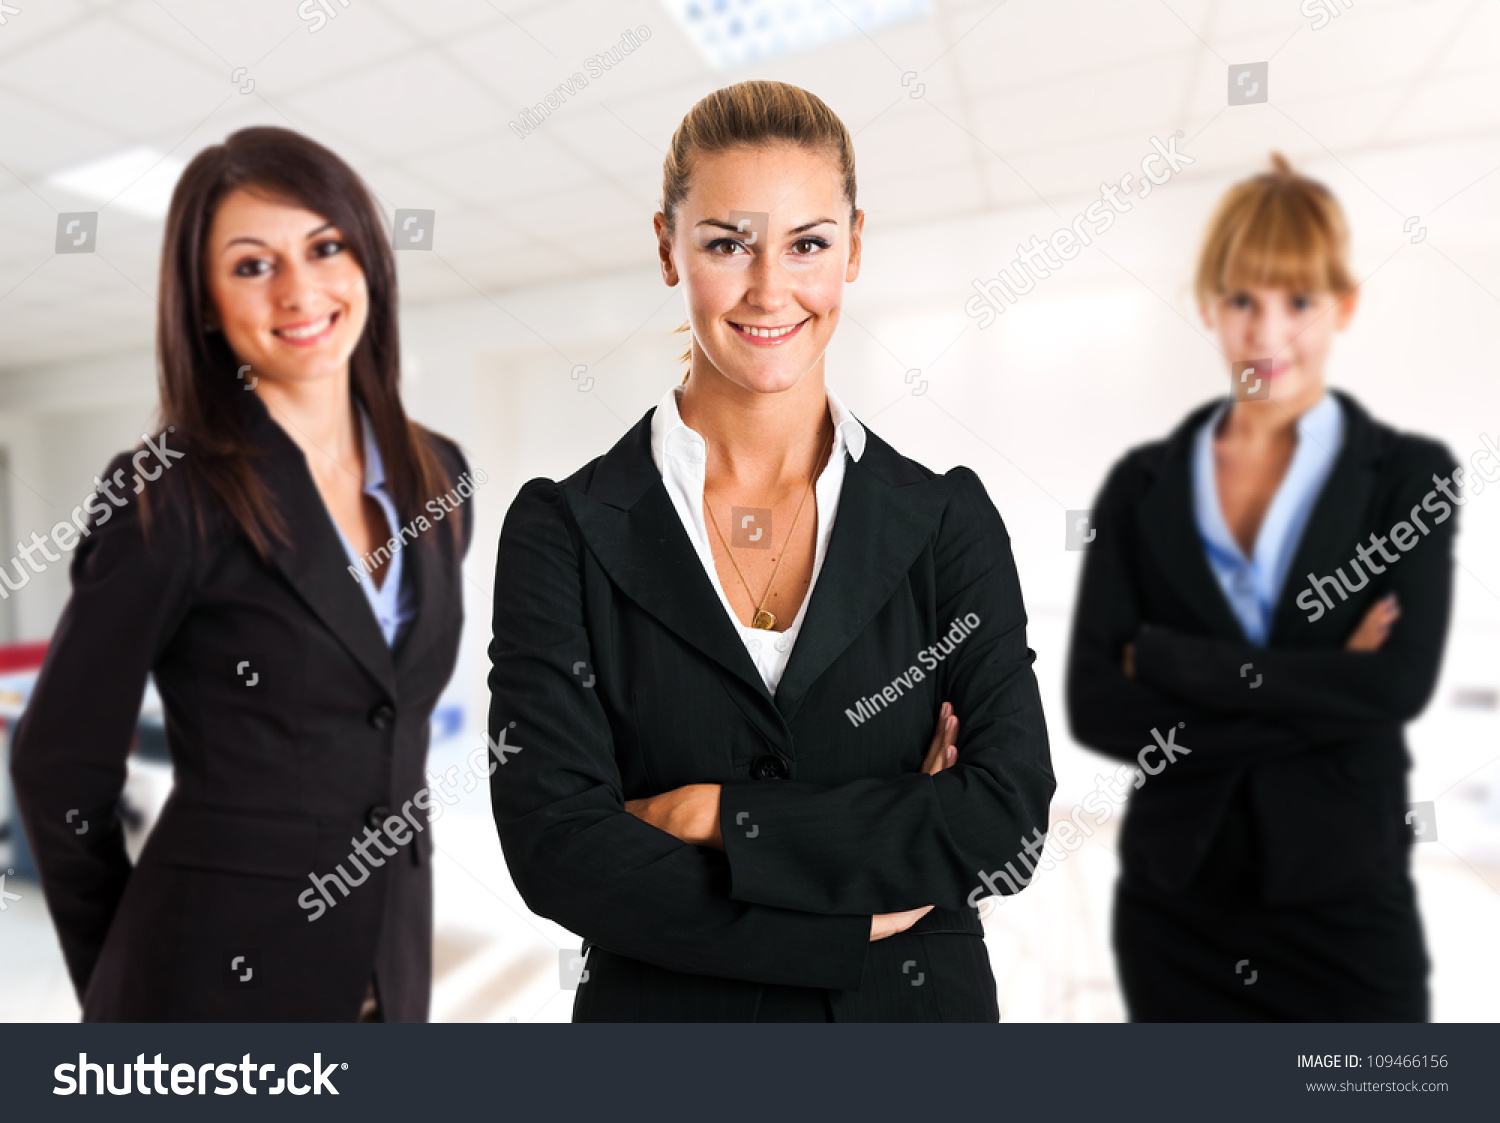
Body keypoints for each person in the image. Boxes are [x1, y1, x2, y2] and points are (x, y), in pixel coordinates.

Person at [487, 80, 1054, 1022]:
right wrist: (860, 908)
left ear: (855, 249)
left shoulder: (945, 519)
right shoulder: (565, 529)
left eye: (807, 244)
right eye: (725, 244)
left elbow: (1006, 825)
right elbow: (558, 847)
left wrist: (716, 817)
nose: (768, 289)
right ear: (668, 248)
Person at [9, 126, 473, 1022]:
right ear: (205, 301)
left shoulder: (440, 477)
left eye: (326, 247)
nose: (301, 290)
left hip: (391, 957)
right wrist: (127, 974)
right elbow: (57, 767)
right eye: (253, 265)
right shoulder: (170, 495)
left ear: (367, 261)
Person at [1066, 152, 1456, 1021]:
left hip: (1344, 905)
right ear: (1208, 305)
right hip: (1177, 901)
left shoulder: (1407, 477)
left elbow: (1398, 684)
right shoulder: (1142, 485)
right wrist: (1325, 687)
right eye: (1242, 299)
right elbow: (1098, 704)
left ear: (1343, 307)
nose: (1267, 335)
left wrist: (1170, 659)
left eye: (1299, 302)